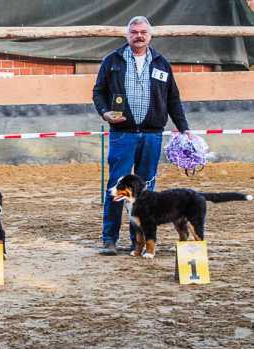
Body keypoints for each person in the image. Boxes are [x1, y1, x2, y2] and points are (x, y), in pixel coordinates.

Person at [92, 16, 191, 256]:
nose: (138, 35)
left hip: (151, 136)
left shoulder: (161, 63)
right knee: (116, 188)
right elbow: (98, 92)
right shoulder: (112, 61)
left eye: (143, 32)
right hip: (122, 135)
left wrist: (184, 127)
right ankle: (109, 239)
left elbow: (173, 99)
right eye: (134, 31)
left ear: (150, 35)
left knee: (147, 192)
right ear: (127, 35)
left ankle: (139, 240)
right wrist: (105, 113)